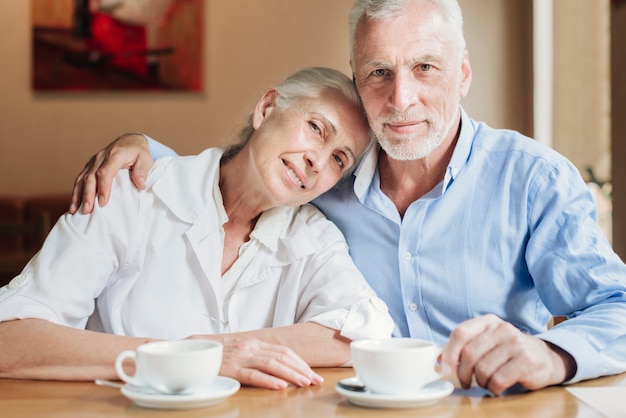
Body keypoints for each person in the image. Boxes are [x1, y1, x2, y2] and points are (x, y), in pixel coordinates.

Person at [68, 0, 626, 396]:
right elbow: (243, 171)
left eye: (425, 68)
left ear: (462, 73)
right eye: (378, 73)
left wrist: (552, 355)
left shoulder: (533, 180)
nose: (401, 97)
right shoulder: (328, 178)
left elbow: (616, 307)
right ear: (358, 82)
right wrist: (145, 148)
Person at [0, 67, 394, 390]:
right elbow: (10, 339)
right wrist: (187, 358)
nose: (317, 160)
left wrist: (217, 348)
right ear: (267, 108)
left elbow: (365, 331)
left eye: (339, 160)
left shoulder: (314, 237)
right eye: (315, 128)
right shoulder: (130, 192)